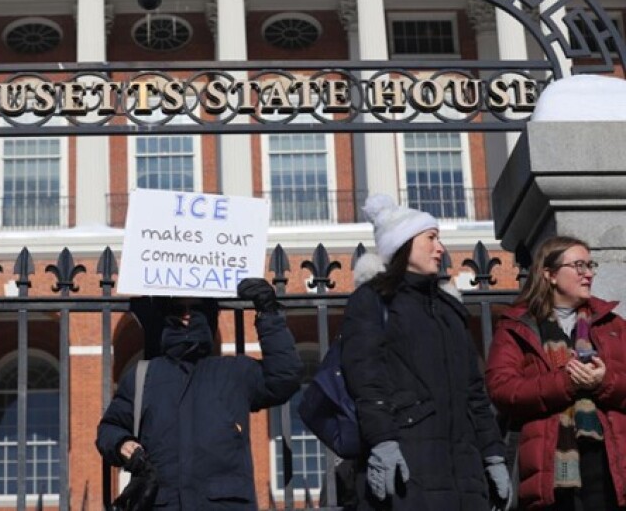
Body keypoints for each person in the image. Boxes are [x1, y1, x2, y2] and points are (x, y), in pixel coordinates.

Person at [340, 194, 509, 510]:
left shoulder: (450, 309)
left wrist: (493, 454)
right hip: (408, 464)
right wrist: (383, 442)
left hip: (464, 471)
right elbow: (365, 379)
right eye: (431, 238)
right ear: (403, 244)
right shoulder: (374, 300)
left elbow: (475, 392)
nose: (440, 248)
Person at [96, 278, 302, 510]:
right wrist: (122, 444)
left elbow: (284, 377)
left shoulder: (234, 372)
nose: (187, 316)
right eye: (178, 309)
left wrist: (268, 312)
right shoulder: (143, 376)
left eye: (197, 308)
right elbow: (109, 428)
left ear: (209, 313)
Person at [486, 235, 626, 510]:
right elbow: (501, 389)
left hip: (610, 466)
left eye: (590, 265)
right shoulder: (518, 327)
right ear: (549, 275)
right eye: (578, 266)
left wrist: (602, 382)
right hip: (548, 470)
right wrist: (565, 382)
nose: (589, 274)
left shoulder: (613, 325)